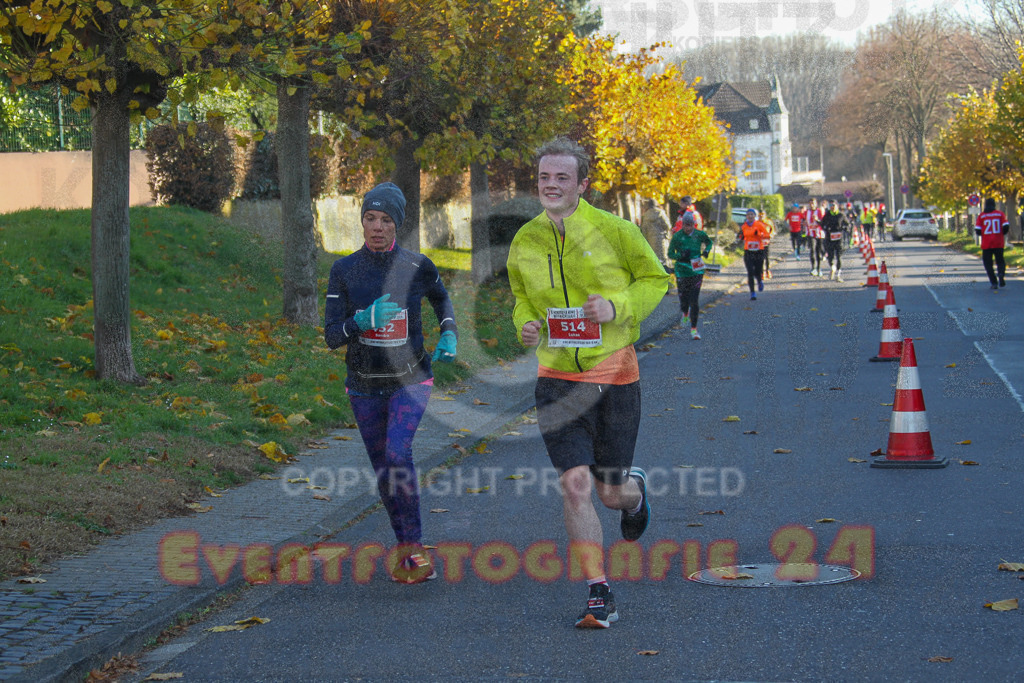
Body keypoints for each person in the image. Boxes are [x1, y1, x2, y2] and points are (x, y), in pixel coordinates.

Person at [507, 137, 669, 629]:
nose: (551, 185)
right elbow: (521, 296)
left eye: (562, 177)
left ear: (582, 184)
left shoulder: (616, 230)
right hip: (557, 381)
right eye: (544, 177)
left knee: (610, 493)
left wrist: (617, 306)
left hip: (614, 377)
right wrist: (524, 323)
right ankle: (600, 592)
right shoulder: (526, 239)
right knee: (575, 486)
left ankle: (634, 494)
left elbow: (655, 279)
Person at [324, 182, 458, 585]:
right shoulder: (344, 270)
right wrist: (360, 321)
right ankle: (405, 548)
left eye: (385, 220)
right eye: (370, 218)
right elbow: (331, 336)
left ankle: (415, 547)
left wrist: (448, 332)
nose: (377, 227)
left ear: (397, 224)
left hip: (410, 380)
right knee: (384, 471)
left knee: (398, 453)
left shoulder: (417, 265)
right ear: (362, 221)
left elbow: (441, 298)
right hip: (363, 384)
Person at [667, 211, 713, 340]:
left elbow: (709, 242)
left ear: (694, 224)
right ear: (682, 225)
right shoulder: (678, 236)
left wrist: (707, 250)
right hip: (682, 270)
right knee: (684, 298)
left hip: (696, 270)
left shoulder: (699, 234)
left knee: (694, 300)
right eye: (685, 225)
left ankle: (694, 329)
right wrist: (680, 255)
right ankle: (685, 312)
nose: (688, 228)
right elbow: (670, 253)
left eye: (690, 225)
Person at [975, 197, 1010, 290]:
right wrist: (1001, 233)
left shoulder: (981, 216)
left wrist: (984, 234)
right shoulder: (1000, 214)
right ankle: (1001, 273)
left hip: (986, 244)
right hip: (998, 242)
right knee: (1000, 260)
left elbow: (978, 230)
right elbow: (1006, 226)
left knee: (988, 264)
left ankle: (994, 282)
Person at [737, 208, 770, 299]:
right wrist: (741, 237)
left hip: (759, 251)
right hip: (748, 251)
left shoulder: (759, 224)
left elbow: (767, 235)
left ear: (755, 216)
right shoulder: (744, 226)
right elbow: (741, 236)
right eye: (749, 214)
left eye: (752, 214)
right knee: (750, 272)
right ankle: (752, 293)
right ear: (746, 216)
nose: (750, 216)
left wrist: (759, 235)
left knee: (758, 271)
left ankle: (759, 281)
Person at [639, 198, 672, 272]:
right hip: (661, 239)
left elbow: (644, 230)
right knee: (663, 258)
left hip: (650, 240)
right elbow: (668, 226)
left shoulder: (645, 216)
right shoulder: (661, 213)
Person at [821, 200, 844, 281]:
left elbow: (847, 223)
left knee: (839, 256)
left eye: (833, 205)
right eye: (830, 205)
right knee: (830, 255)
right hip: (829, 238)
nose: (832, 207)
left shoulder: (841, 215)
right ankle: (832, 267)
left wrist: (845, 228)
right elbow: (822, 223)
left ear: (837, 206)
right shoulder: (827, 215)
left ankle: (838, 274)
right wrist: (825, 228)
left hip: (839, 238)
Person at [805, 198, 825, 277]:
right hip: (810, 234)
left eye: (813, 203)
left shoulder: (819, 211)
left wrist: (817, 220)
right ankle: (813, 268)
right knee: (812, 250)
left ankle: (819, 268)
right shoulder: (807, 212)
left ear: (816, 204)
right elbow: (803, 220)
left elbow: (823, 222)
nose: (811, 205)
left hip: (819, 234)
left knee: (818, 251)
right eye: (810, 203)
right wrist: (803, 224)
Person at [759, 210, 775, 279]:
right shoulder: (757, 223)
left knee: (766, 257)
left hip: (766, 242)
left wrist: (770, 235)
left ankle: (767, 270)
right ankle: (761, 272)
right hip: (759, 243)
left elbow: (773, 231)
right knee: (760, 258)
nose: (761, 216)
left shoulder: (769, 222)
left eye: (762, 214)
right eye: (760, 215)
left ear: (765, 215)